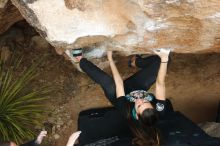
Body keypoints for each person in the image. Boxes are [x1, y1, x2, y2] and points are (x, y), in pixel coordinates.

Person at [65, 48, 173, 146]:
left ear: (137, 115)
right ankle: (135, 61)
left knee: (107, 82)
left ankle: (80, 60)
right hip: (137, 87)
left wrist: (110, 59)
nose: (140, 100)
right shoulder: (159, 110)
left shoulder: (126, 111)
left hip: (118, 95)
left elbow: (119, 84)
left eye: (139, 106)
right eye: (145, 101)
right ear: (153, 107)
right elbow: (160, 83)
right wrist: (164, 59)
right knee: (164, 61)